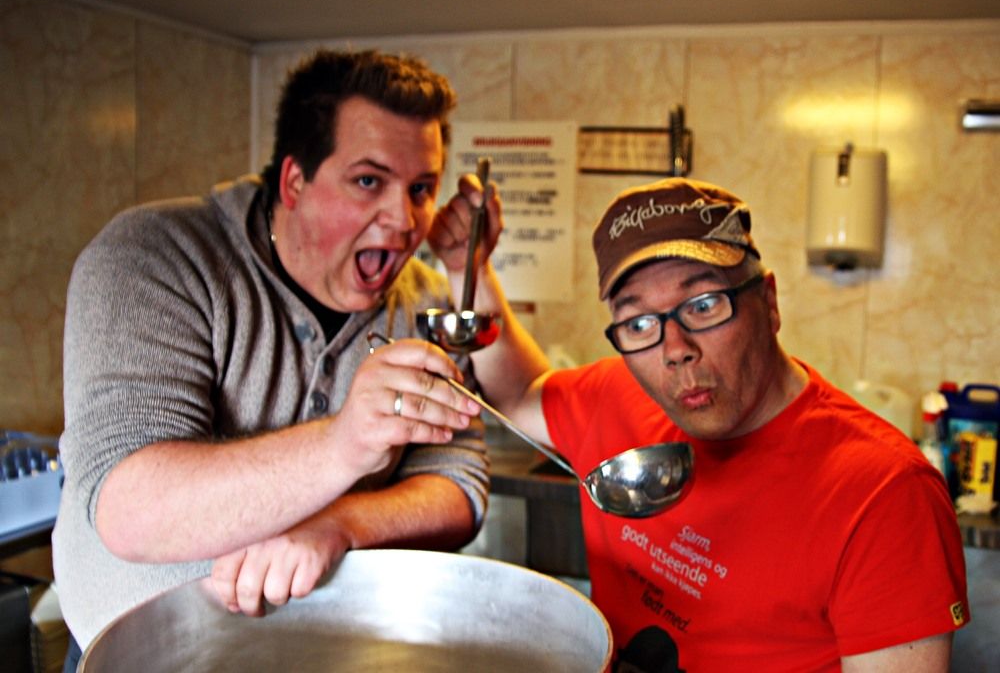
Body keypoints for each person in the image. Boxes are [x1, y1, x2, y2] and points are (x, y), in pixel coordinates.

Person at [53, 49, 494, 668]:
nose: (404, 221)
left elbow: (459, 484)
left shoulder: (422, 301)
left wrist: (341, 523)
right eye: (369, 182)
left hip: (329, 653)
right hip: (146, 656)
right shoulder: (153, 257)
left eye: (420, 189)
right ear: (294, 181)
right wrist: (344, 443)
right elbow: (131, 511)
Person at [431, 177, 970, 671]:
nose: (675, 349)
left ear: (769, 303)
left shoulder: (885, 494)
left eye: (704, 304)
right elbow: (519, 393)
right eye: (638, 323)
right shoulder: (616, 397)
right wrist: (466, 269)